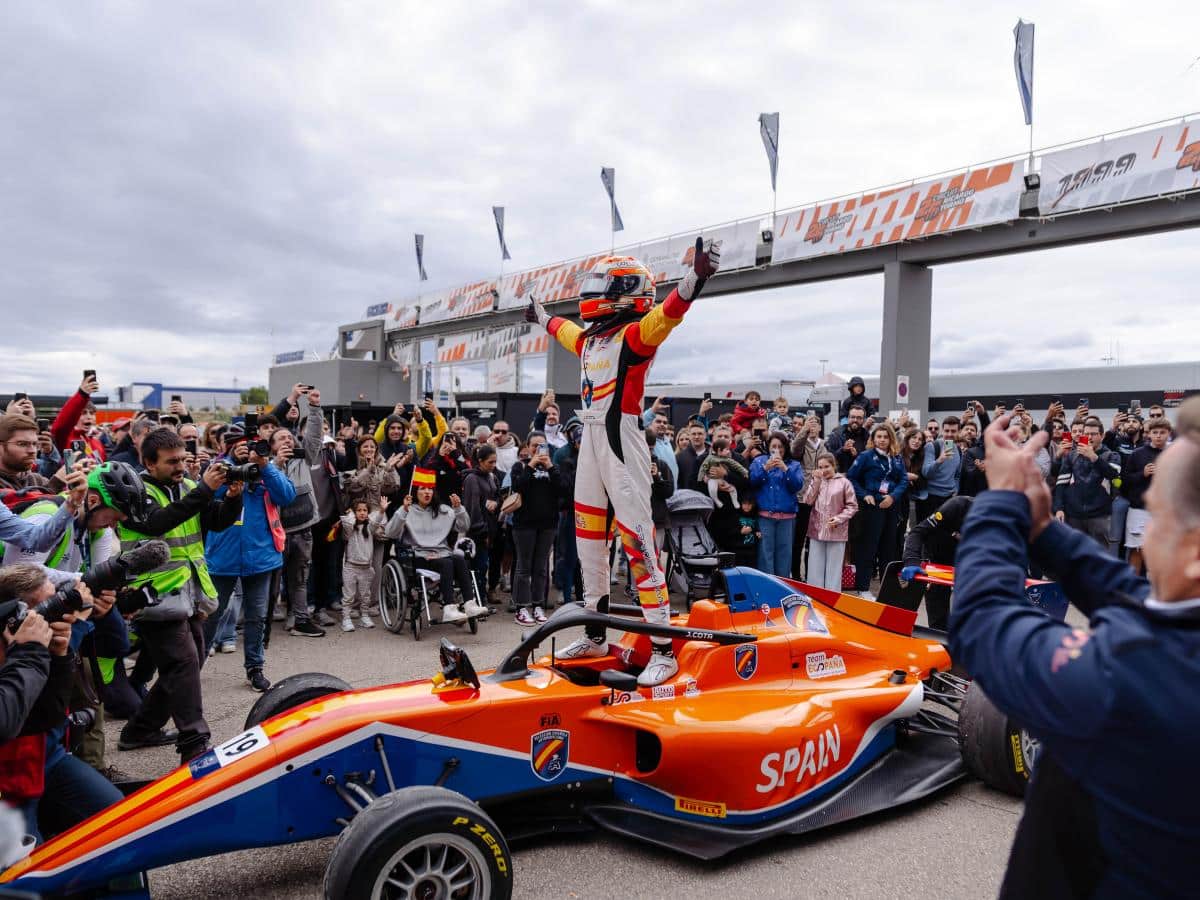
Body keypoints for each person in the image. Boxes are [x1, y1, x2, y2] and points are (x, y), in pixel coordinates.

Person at [949, 401, 1200, 898]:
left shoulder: (1128, 678)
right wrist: (1045, 534)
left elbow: (981, 621)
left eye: (1160, 519)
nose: (1145, 539)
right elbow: (1144, 606)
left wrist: (1000, 504)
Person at [524, 238, 721, 685]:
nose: (592, 294)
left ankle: (665, 649)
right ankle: (596, 634)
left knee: (636, 540)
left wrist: (697, 277)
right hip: (591, 440)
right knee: (587, 537)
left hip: (621, 438)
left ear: (627, 291)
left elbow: (669, 312)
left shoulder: (636, 334)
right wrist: (539, 316)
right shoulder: (593, 339)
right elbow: (562, 329)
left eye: (603, 286)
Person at [114, 439, 241, 764]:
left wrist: (232, 498)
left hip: (190, 592)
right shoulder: (135, 491)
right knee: (183, 663)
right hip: (152, 595)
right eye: (172, 462)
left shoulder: (186, 485)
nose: (181, 467)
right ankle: (194, 744)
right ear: (149, 462)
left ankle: (139, 730)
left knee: (190, 661)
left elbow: (216, 520)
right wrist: (204, 490)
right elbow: (158, 523)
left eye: (183, 459)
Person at [202, 432, 295, 692]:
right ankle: (193, 665)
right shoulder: (221, 469)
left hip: (261, 556)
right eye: (240, 448)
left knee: (257, 617)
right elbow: (206, 494)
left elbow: (286, 496)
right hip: (223, 556)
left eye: (250, 448)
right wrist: (233, 467)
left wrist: (264, 466)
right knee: (212, 614)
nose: (248, 452)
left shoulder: (267, 472)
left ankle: (255, 668)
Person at [382, 470, 483, 622]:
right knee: (447, 561)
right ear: (416, 492)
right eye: (423, 489)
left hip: (442, 553)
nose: (427, 492)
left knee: (459, 556)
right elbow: (390, 533)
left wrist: (458, 509)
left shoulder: (443, 510)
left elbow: (464, 527)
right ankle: (449, 607)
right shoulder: (407, 510)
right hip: (419, 556)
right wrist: (403, 511)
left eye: (430, 489)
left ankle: (469, 603)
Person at [269, 417, 325, 637]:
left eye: (289, 437)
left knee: (299, 579)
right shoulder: (266, 467)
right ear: (272, 446)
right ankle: (263, 623)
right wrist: (277, 465)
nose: (287, 440)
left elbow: (314, 436)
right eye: (280, 438)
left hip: (303, 530)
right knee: (272, 582)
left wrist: (314, 408)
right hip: (276, 534)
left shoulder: (304, 459)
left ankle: (300, 621)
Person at [846, 423, 907, 599]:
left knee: (888, 548)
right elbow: (851, 478)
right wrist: (864, 495)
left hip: (890, 505)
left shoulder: (896, 457)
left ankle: (886, 588)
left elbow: (903, 479)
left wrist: (893, 497)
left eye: (885, 437)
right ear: (873, 439)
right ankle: (863, 587)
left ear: (891, 439)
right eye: (878, 437)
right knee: (868, 548)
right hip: (871, 506)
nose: (882, 440)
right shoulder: (865, 456)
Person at [900, 494, 973, 631]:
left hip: (968, 558)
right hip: (938, 555)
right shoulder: (957, 506)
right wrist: (911, 561)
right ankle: (940, 642)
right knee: (938, 612)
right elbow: (917, 532)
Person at [509, 437, 561, 625]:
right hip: (524, 525)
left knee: (541, 568)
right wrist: (531, 465)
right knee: (524, 567)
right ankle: (521, 607)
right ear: (528, 447)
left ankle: (538, 604)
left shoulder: (553, 467)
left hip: (548, 524)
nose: (538, 449)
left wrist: (550, 467)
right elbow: (518, 486)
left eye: (542, 445)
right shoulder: (520, 466)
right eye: (534, 446)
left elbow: (563, 489)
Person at [1052, 416, 1122, 551]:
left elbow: (1115, 478)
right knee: (1075, 555)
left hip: (1099, 515)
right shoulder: (1072, 456)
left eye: (1094, 434)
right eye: (1087, 434)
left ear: (1101, 436)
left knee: (1100, 557)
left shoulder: (1112, 455)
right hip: (1074, 515)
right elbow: (1061, 483)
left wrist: (1094, 458)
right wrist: (1059, 508)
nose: (1089, 437)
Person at [748, 432, 805, 577]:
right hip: (765, 516)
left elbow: (797, 485)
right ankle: (766, 589)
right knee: (765, 555)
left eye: (780, 446)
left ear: (785, 448)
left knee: (784, 555)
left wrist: (785, 469)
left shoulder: (794, 464)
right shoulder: (759, 461)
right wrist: (765, 469)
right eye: (774, 446)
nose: (777, 450)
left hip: (787, 517)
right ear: (768, 447)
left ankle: (782, 589)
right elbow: (751, 482)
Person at [801, 452, 858, 591]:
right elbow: (807, 500)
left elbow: (853, 506)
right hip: (817, 531)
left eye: (826, 466)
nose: (823, 470)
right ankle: (815, 596)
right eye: (820, 467)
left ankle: (832, 598)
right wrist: (815, 481)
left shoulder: (844, 482)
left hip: (837, 532)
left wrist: (839, 519)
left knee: (834, 570)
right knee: (815, 568)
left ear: (834, 466)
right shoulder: (817, 481)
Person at [1122, 416, 1171, 574]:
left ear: (1168, 433)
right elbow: (1125, 481)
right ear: (1148, 434)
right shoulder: (1137, 454)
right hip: (1139, 510)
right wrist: (1142, 474)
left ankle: (1159, 593)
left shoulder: (1175, 453)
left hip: (1165, 511)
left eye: (1162, 432)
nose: (1158, 435)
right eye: (1155, 432)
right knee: (1137, 551)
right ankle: (1132, 591)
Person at [461, 444, 501, 604]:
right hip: (478, 532)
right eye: (490, 462)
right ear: (480, 461)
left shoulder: (492, 477)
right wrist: (482, 533)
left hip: (491, 528)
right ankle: (479, 601)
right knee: (479, 567)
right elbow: (473, 509)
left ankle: (482, 599)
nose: (493, 465)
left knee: (485, 566)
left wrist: (496, 503)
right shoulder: (472, 479)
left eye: (495, 462)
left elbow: (498, 495)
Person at [339, 500, 385, 631]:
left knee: (366, 595)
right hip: (351, 567)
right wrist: (351, 514)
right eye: (359, 510)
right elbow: (347, 523)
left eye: (365, 510)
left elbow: (376, 522)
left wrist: (381, 510)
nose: (362, 513)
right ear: (354, 512)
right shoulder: (349, 529)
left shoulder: (369, 528)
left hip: (366, 567)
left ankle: (364, 616)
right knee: (349, 595)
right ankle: (346, 618)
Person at [918, 416, 961, 520]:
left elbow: (957, 475)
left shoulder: (959, 450)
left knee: (945, 533)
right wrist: (940, 460)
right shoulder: (932, 446)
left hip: (948, 499)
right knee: (928, 534)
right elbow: (926, 472)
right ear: (942, 430)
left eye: (953, 431)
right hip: (930, 499)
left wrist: (955, 490)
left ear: (958, 431)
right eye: (947, 431)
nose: (950, 434)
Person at [826, 407, 868, 473]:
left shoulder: (867, 437)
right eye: (852, 417)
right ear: (848, 418)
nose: (855, 420)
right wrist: (843, 450)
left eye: (859, 418)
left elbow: (869, 462)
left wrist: (857, 456)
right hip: (839, 478)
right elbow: (828, 459)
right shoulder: (836, 435)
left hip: (859, 479)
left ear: (864, 420)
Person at [675, 421, 708, 489]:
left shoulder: (712, 455)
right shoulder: (679, 457)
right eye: (693, 434)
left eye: (700, 434)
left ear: (705, 435)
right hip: (687, 497)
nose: (696, 437)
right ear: (689, 436)